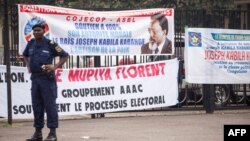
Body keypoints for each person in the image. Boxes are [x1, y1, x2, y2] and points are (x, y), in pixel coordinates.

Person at [23, 23, 69, 141]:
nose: (36, 32)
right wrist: (28, 65)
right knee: (37, 106)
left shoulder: (50, 44)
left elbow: (64, 55)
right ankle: (38, 134)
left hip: (47, 79)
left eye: (38, 30)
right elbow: (25, 55)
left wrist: (55, 66)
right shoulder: (31, 43)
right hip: (35, 79)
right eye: (34, 31)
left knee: (50, 106)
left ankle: (52, 134)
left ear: (44, 31)